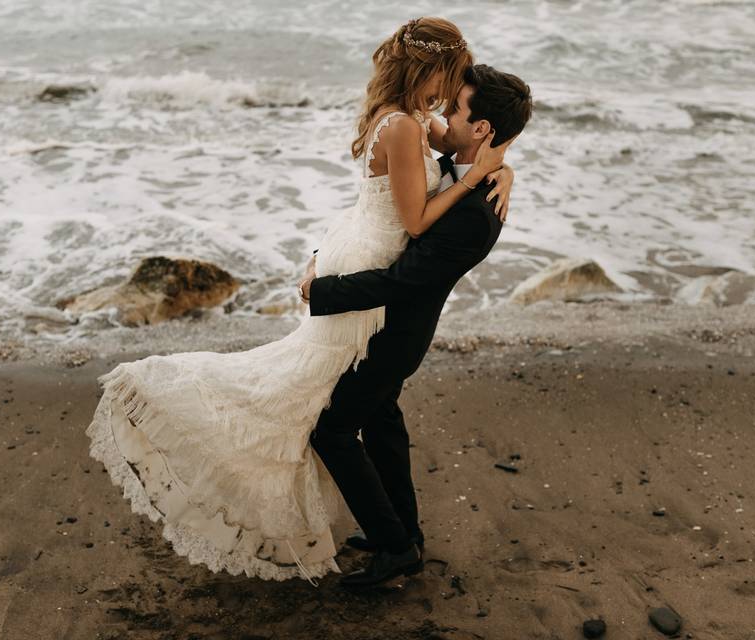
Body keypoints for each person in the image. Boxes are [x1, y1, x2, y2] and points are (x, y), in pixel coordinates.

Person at [84, 17, 515, 584]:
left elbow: (459, 157)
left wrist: (499, 167)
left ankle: (399, 536)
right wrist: (482, 172)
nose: (447, 97)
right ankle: (397, 537)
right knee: (331, 406)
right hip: (366, 268)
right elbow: (427, 197)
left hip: (368, 268)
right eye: (450, 80)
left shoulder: (408, 123)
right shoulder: (410, 129)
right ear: (430, 72)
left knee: (362, 413)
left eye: (456, 95)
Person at [299, 63, 533, 587]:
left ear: (483, 130)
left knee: (332, 430)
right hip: (388, 329)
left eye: (454, 110)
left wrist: (324, 292)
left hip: (396, 337)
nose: (440, 116)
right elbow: (382, 216)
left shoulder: (478, 210)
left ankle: (396, 547)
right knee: (381, 421)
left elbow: (403, 281)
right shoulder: (469, 172)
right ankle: (402, 529)